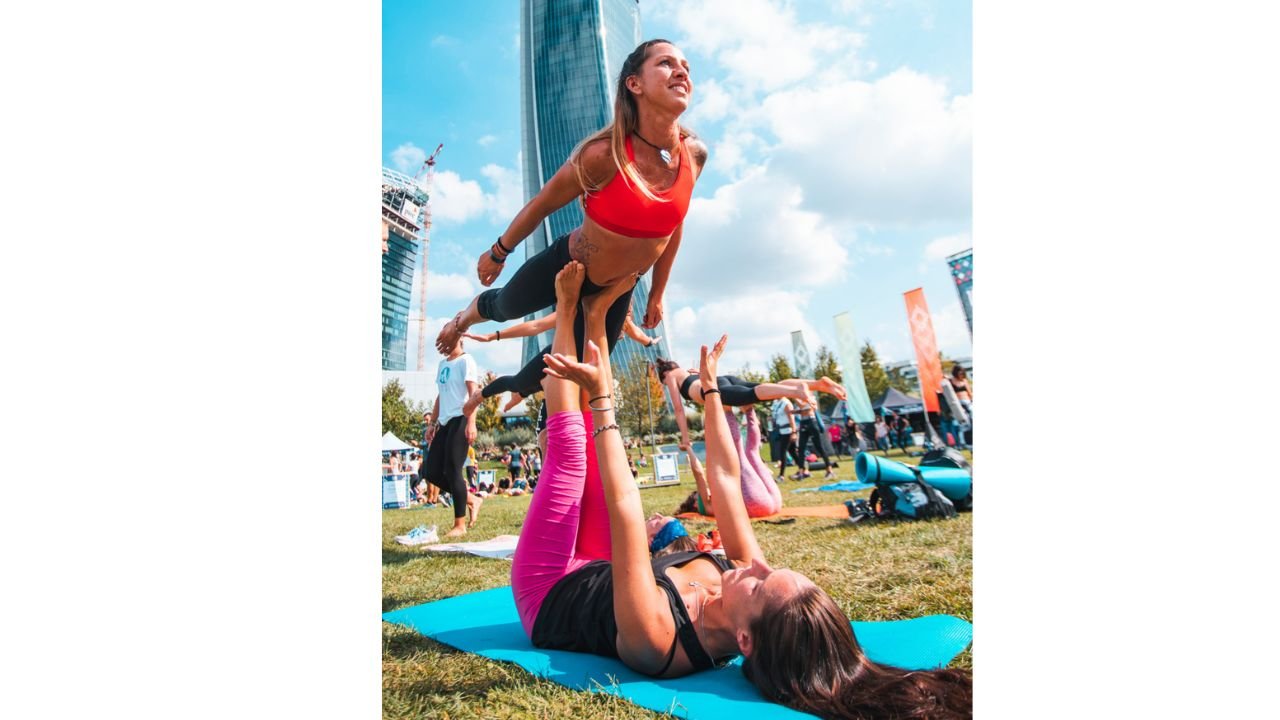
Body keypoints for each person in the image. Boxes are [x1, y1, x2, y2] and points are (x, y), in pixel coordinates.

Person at [513, 264, 971, 717]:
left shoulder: (657, 639)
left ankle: (568, 305)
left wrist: (601, 401)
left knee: (571, 449)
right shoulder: (743, 584)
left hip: (549, 587)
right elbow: (727, 482)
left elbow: (626, 508)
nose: (757, 562)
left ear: (745, 641)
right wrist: (712, 394)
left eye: (761, 581)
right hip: (596, 565)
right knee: (580, 451)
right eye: (773, 567)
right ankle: (594, 317)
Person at [436, 38, 706, 401]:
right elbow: (542, 204)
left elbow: (673, 223)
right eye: (666, 63)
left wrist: (656, 292)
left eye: (686, 66)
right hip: (566, 265)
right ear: (634, 84)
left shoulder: (694, 156)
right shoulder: (603, 155)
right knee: (505, 308)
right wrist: (499, 252)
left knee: (583, 380)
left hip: (615, 292)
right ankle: (462, 320)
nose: (681, 72)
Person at [464, 308, 661, 411]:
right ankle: (481, 396)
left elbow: (634, 330)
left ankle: (523, 393)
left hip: (585, 371)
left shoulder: (620, 318)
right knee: (517, 382)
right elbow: (537, 325)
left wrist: (649, 342)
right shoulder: (579, 307)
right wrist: (493, 336)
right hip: (561, 357)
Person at [422, 336, 484, 537]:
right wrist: (433, 422)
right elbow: (441, 395)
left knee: (453, 470)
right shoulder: (442, 364)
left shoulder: (466, 361)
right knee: (430, 471)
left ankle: (460, 525)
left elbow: (474, 394)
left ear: (459, 339)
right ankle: (471, 499)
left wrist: (472, 422)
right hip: (445, 422)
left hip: (462, 418)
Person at [794, 398, 836, 480]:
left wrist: (794, 398)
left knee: (819, 447)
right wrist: (797, 411)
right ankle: (802, 472)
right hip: (803, 423)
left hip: (811, 422)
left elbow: (806, 408)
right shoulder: (800, 399)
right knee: (801, 448)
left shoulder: (810, 398)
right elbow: (803, 410)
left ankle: (829, 470)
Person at [769, 397, 802, 479]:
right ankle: (803, 469)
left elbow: (791, 418)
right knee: (792, 452)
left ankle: (781, 475)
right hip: (780, 430)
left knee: (782, 452)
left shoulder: (786, 403)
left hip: (788, 431)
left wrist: (794, 432)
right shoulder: (776, 402)